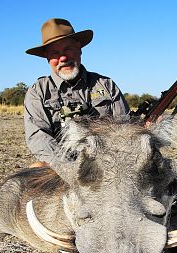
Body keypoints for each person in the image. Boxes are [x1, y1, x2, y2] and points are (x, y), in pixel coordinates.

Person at [24, 18, 130, 167]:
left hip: (107, 162)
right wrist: (69, 166)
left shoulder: (107, 85)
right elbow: (38, 137)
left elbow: (124, 127)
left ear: (79, 48)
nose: (63, 58)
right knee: (35, 169)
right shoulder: (38, 92)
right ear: (47, 57)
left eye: (68, 49)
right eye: (55, 53)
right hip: (61, 165)